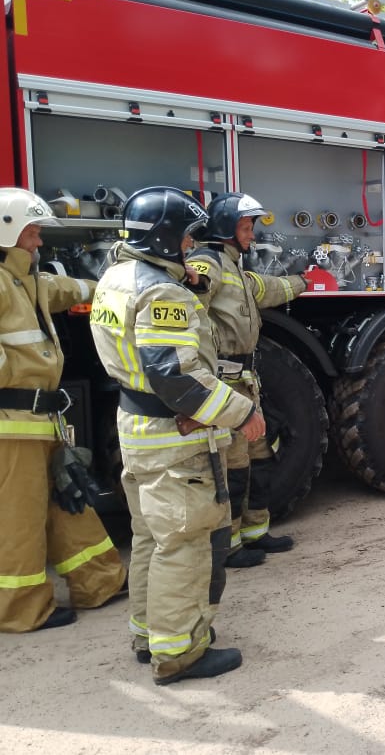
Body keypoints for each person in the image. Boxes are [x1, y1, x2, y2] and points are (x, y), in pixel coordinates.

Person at [89, 187, 263, 684]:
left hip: (137, 429)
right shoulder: (162, 293)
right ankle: (179, 653)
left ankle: (147, 637)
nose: (191, 248)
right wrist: (240, 413)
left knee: (150, 537)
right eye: (187, 238)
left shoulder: (116, 278)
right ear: (165, 237)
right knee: (184, 543)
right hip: (173, 436)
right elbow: (177, 378)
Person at [0, 188, 126, 633]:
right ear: (8, 230)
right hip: (11, 427)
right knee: (20, 519)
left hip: (41, 421)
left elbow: (72, 288)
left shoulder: (27, 281)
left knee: (67, 501)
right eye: (32, 232)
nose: (38, 242)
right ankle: (20, 611)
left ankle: (100, 582)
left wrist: (117, 283)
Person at [187, 193, 307, 567]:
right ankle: (229, 547)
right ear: (225, 229)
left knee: (261, 459)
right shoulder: (207, 264)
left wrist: (304, 282)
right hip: (225, 387)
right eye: (245, 227)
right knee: (233, 471)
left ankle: (256, 531)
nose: (251, 235)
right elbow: (193, 300)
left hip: (246, 383)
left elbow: (266, 289)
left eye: (252, 227)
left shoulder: (235, 266)